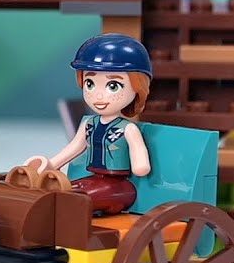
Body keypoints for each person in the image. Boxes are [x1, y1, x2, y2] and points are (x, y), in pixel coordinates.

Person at [25, 34, 152, 215]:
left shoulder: (128, 128)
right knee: (65, 192)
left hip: (120, 187)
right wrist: (50, 164)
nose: (98, 95)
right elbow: (74, 147)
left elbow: (141, 165)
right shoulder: (89, 123)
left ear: (137, 88)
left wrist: (140, 164)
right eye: (90, 84)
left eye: (113, 86)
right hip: (94, 179)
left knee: (77, 198)